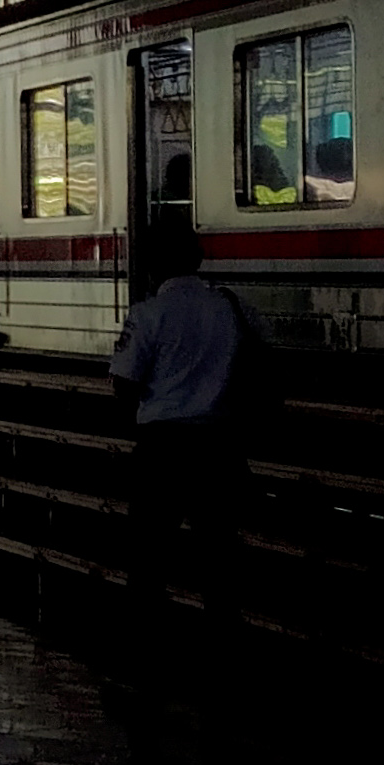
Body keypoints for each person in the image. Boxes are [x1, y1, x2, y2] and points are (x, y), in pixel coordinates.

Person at [108, 218, 269, 647]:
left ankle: (146, 644)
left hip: (163, 449)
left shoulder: (148, 315)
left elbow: (124, 382)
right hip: (219, 448)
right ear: (198, 260)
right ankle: (223, 642)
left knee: (149, 556)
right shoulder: (233, 307)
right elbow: (261, 358)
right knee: (218, 555)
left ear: (150, 267)